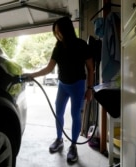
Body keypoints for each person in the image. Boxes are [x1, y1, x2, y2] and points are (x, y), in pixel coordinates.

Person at [24, 16, 94, 163]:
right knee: (59, 113)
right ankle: (59, 139)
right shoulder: (58, 47)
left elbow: (90, 69)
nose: (57, 34)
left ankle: (73, 146)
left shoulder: (81, 45)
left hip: (78, 85)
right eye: (55, 32)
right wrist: (32, 75)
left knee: (75, 115)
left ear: (67, 30)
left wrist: (89, 89)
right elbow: (49, 69)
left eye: (59, 31)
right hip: (62, 85)